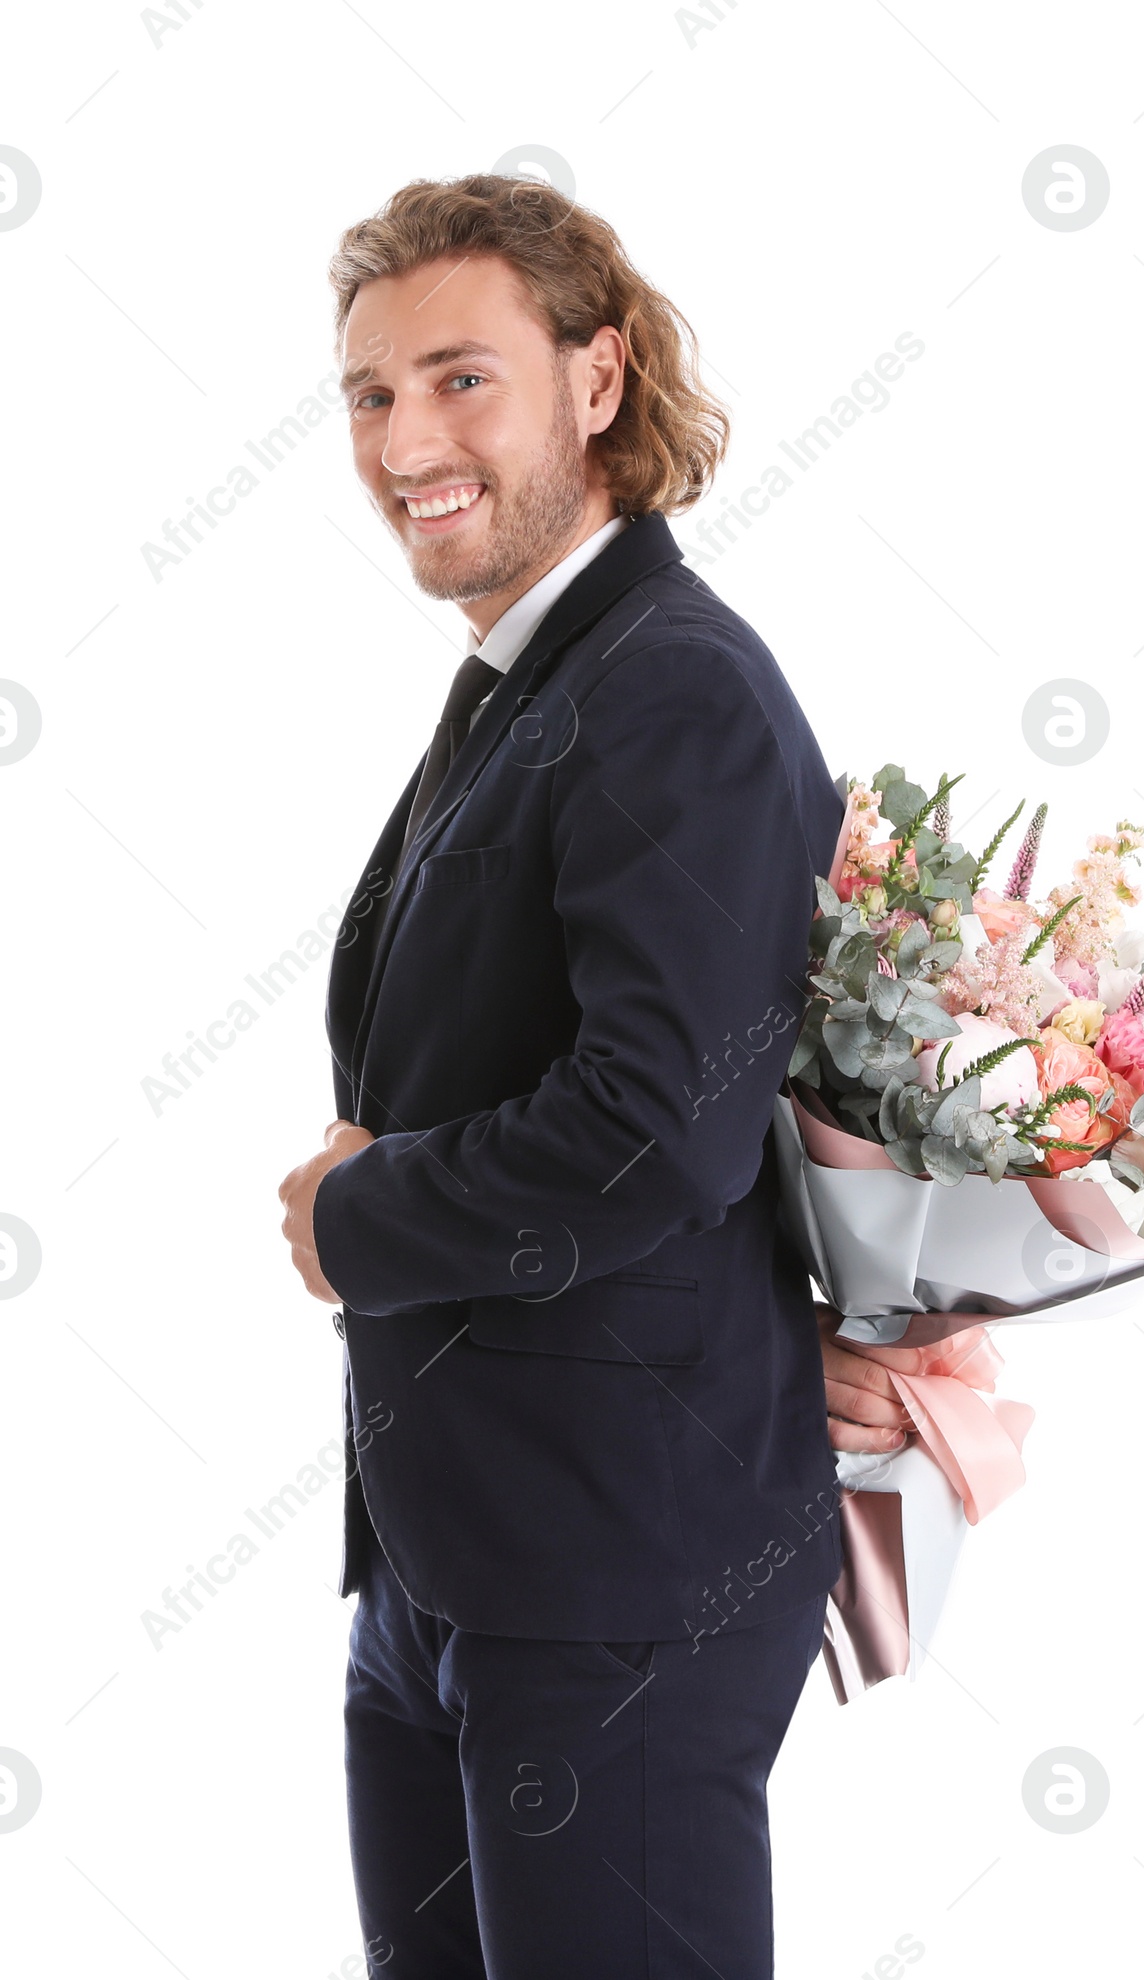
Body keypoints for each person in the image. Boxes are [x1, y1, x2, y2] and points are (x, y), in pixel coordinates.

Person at [273, 172, 906, 1979]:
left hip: (615, 1583)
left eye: (461, 379)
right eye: (371, 396)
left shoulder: (672, 688)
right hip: (449, 1562)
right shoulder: (533, 673)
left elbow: (657, 1131)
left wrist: (354, 1210)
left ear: (600, 381)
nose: (406, 440)